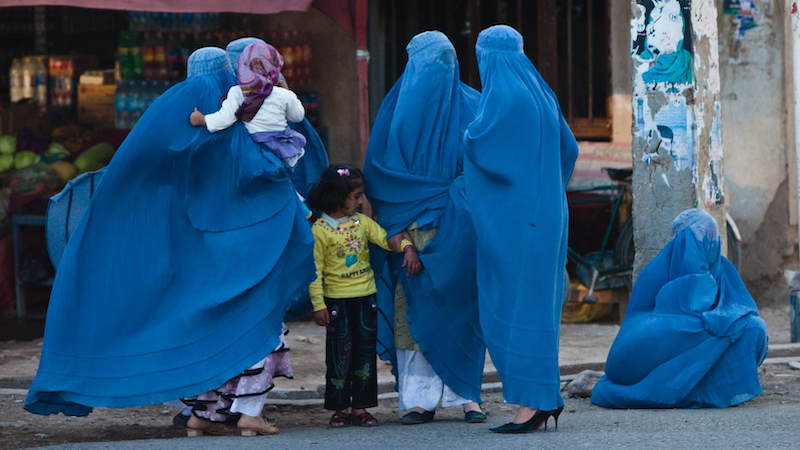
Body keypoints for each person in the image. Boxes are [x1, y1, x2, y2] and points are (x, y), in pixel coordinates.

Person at [24, 47, 315, 438]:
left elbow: (136, 176)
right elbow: (276, 175)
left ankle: (204, 414)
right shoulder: (241, 125)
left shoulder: (170, 118)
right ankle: (246, 412)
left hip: (193, 256)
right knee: (254, 328)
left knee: (196, 330)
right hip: (245, 254)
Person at [362, 30, 486, 425]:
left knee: (464, 309)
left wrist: (461, 200)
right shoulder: (395, 112)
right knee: (412, 313)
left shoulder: (475, 106)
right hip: (410, 234)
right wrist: (400, 237)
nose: (437, 72)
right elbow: (381, 179)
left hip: (462, 231)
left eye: (445, 61)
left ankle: (468, 396)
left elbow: (485, 166)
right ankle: (420, 400)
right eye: (427, 63)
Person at [462, 25, 578, 433]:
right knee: (540, 307)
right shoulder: (542, 93)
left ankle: (531, 405)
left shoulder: (503, 95)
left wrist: (466, 137)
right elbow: (570, 148)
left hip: (518, 221)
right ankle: (544, 397)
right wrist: (546, 188)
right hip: (547, 215)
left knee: (515, 307)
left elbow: (480, 146)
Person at [591, 209, 768, 409]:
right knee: (750, 328)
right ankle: (703, 389)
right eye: (703, 239)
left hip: (622, 362)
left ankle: (699, 385)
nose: (709, 245)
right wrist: (731, 319)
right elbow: (697, 309)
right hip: (632, 356)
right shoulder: (665, 269)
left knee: (744, 327)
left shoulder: (716, 269)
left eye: (713, 238)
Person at [305, 163, 421, 428]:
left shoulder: (363, 223)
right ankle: (339, 408)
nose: (360, 202)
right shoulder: (320, 230)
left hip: (366, 299)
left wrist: (407, 247)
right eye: (356, 197)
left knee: (364, 354)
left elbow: (385, 239)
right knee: (338, 355)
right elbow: (315, 271)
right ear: (337, 196)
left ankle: (361, 407)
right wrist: (318, 304)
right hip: (336, 302)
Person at [190, 42, 307, 171]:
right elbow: (297, 116)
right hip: (282, 150)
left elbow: (224, 120)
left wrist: (201, 119)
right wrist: (288, 93)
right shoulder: (283, 94)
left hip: (252, 150)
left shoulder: (237, 92)